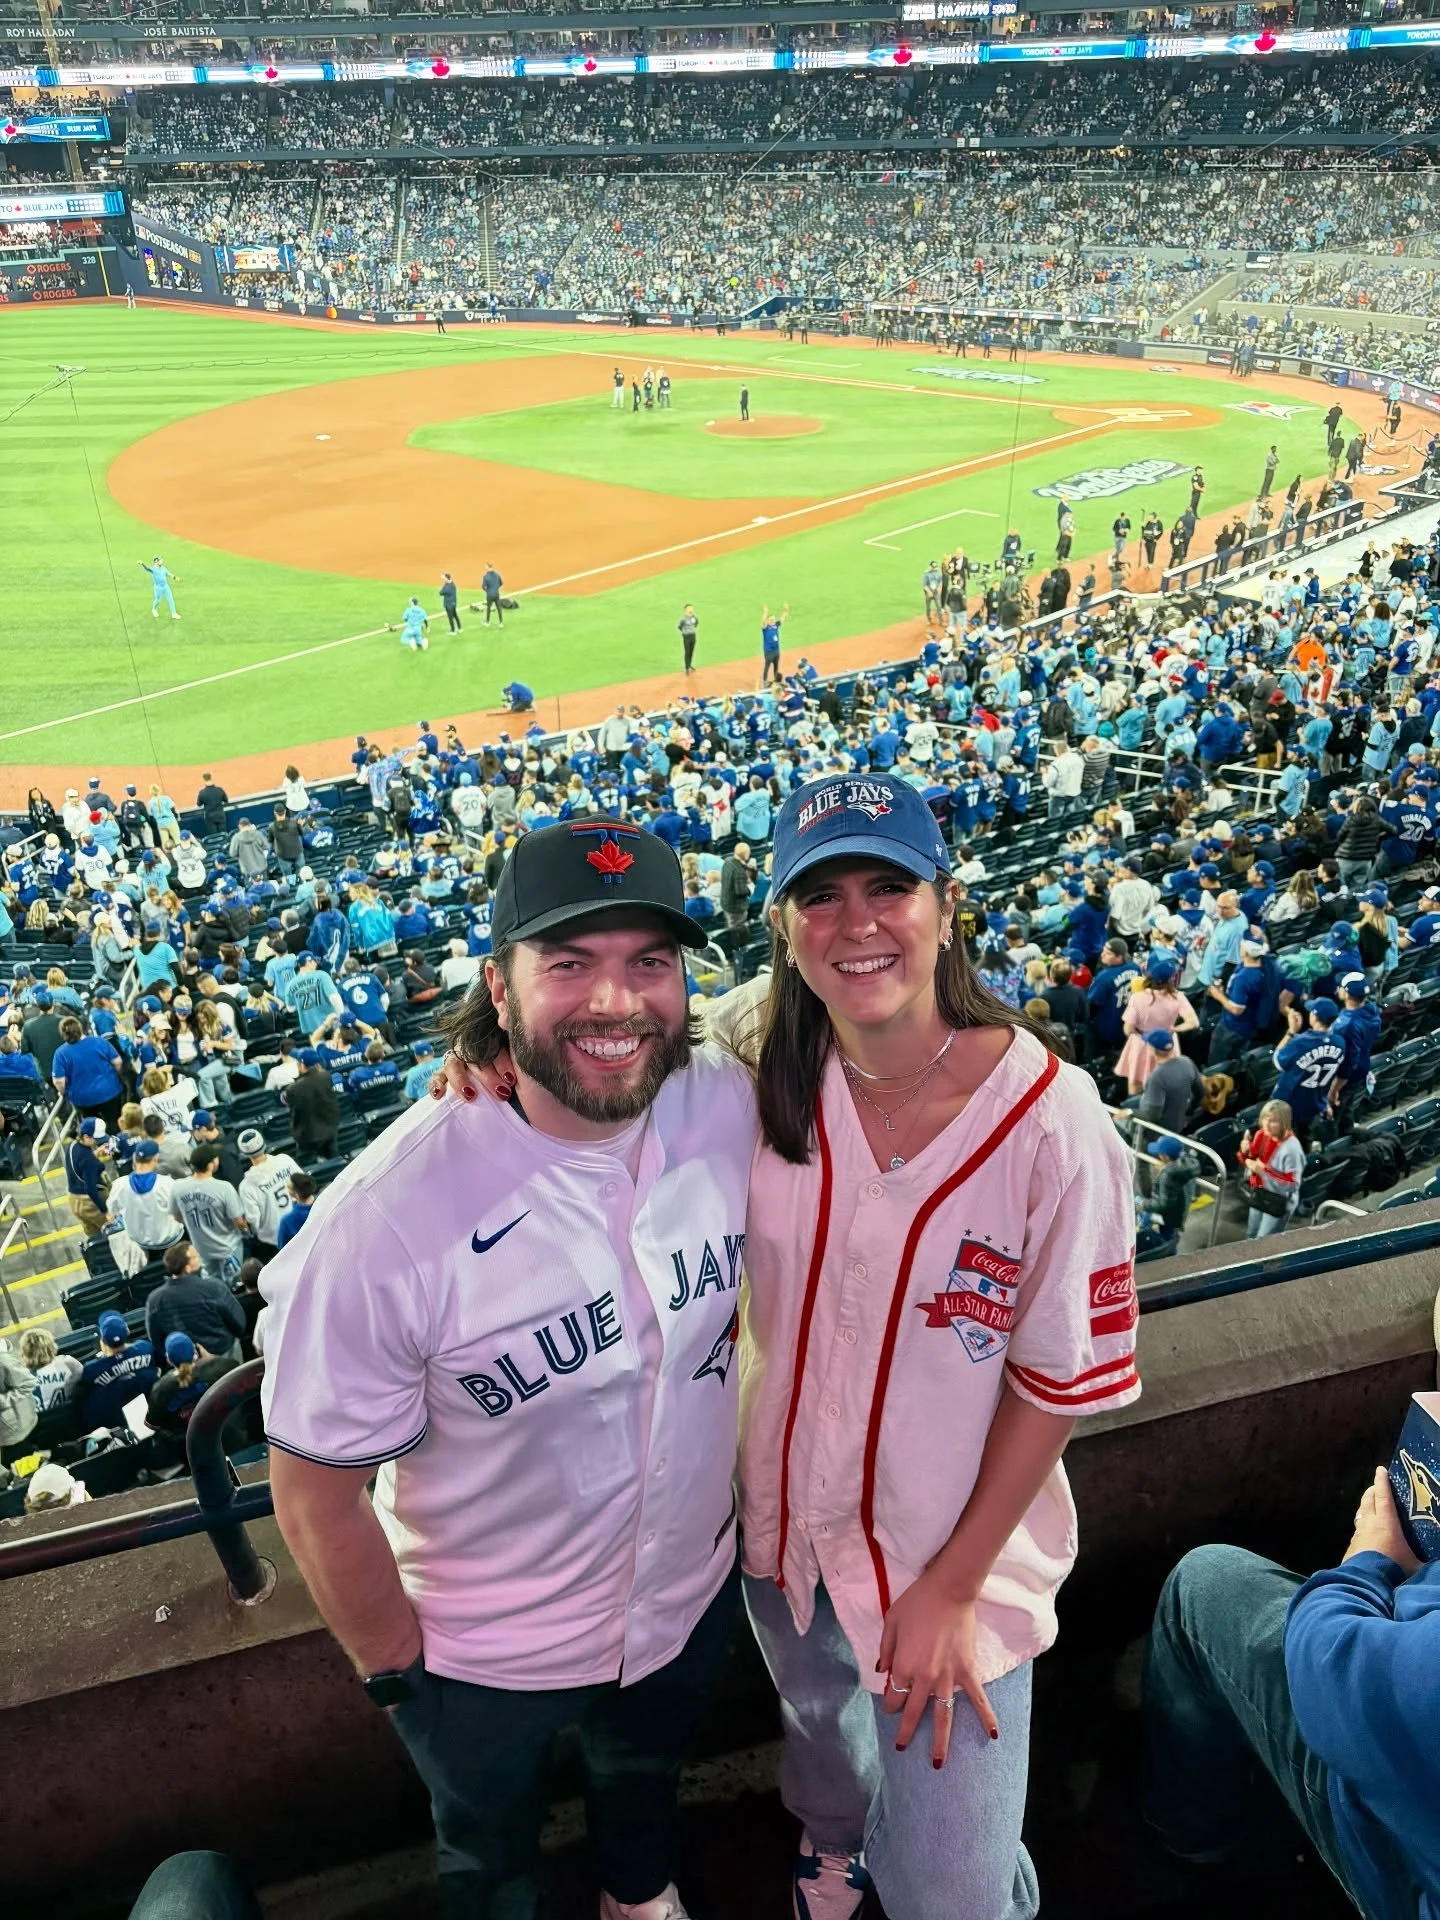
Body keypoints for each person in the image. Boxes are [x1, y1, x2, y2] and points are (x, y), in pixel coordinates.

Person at [260, 819, 753, 1920]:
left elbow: (833, 1008)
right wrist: (397, 1669)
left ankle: (639, 1896)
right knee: (487, 1859)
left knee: (644, 1788)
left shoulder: (724, 1095)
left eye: (649, 962)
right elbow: (311, 1494)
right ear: (499, 984)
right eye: (568, 963)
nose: (616, 1002)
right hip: (477, 1654)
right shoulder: (382, 1223)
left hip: (685, 1593)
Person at [732, 774, 1139, 1920]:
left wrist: (953, 1587)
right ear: (783, 926)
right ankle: (830, 1845)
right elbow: (599, 1062)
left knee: (950, 1893)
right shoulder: (754, 1058)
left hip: (948, 1565)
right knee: (822, 1744)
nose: (856, 922)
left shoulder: (1055, 1121)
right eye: (819, 894)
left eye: (888, 885)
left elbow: (1056, 1383)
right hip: (783, 1532)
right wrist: (486, 1058)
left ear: (947, 908)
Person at [1143, 1467, 1438, 1920]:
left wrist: (1364, 1567)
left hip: (1407, 1869)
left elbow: (1329, 1664)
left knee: (1202, 1583)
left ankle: (1193, 1848)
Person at [146, 1239, 246, 1360]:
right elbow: (239, 1323)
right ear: (187, 1268)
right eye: (195, 1257)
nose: (199, 1257)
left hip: (187, 1364)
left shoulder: (155, 1299)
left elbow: (156, 1340)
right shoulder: (214, 1288)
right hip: (225, 1355)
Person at [168, 1144, 248, 1287]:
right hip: (229, 1248)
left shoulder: (178, 1187)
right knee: (236, 1286)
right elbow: (239, 1222)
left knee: (213, 1288)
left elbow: (177, 1218)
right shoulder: (224, 1188)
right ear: (211, 1164)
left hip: (202, 1250)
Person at [75, 1310, 160, 1432]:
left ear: (102, 1341)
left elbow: (80, 1398)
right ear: (128, 1331)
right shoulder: (145, 1348)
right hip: (152, 1416)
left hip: (113, 1426)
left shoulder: (92, 1369)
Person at [146, 1331, 239, 1438]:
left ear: (169, 1360)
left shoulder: (160, 1388)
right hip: (229, 1434)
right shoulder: (224, 1366)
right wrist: (212, 1358)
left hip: (188, 1447)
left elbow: (152, 1425)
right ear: (196, 1350)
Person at [107, 1138, 185, 1257]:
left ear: (134, 1158)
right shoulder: (167, 1184)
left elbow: (112, 1213)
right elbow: (181, 1212)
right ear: (155, 1159)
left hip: (141, 1244)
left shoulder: (119, 1185)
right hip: (171, 1241)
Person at [1239, 1099, 1304, 1238]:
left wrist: (1263, 1172)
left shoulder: (1292, 1149)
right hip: (1260, 1193)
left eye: (1273, 1121)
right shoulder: (1262, 1134)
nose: (1267, 1125)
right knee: (1251, 1234)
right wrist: (1245, 1152)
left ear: (1284, 1123)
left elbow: (1293, 1185)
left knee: (1265, 1241)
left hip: (1278, 1200)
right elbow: (1250, 1160)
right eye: (1265, 1119)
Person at [236, 1130, 303, 1259]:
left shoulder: (246, 1184)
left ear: (244, 1154)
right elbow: (304, 1185)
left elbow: (253, 1221)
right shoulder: (284, 1160)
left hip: (274, 1241)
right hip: (301, 1225)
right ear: (263, 1144)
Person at [51, 1016, 125, 1127]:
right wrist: (116, 1075)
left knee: (93, 1129)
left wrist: (63, 1092)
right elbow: (117, 1062)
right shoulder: (99, 1041)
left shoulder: (60, 1053)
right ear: (80, 1028)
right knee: (114, 1123)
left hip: (83, 1099)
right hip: (110, 1090)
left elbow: (58, 1081)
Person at [1136, 1031, 1202, 1136]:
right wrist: (1188, 1112)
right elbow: (1200, 1093)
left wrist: (1129, 1113)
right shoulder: (1186, 1062)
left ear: (1152, 1049)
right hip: (1178, 1124)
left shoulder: (1157, 1077)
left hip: (1157, 1133)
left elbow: (1152, 1115)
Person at [282, 1049, 340, 1162]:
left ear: (303, 1065)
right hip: (329, 1130)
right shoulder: (326, 1077)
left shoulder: (293, 1089)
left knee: (307, 1168)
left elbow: (293, 1111)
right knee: (335, 1162)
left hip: (307, 1136)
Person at [64, 1116, 112, 1237]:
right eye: (96, 1139)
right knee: (111, 1232)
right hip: (90, 1204)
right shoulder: (88, 1160)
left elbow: (79, 1165)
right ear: (86, 1137)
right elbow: (90, 1190)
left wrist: (95, 1153)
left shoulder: (72, 1146)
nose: (98, 1142)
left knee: (94, 1236)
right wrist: (105, 1212)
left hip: (74, 1200)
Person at [19, 1327, 82, 1412]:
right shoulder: (67, 1363)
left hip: (43, 1423)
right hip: (74, 1417)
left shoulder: (21, 1378)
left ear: (25, 1351)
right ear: (51, 1346)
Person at [274, 1171, 315, 1250]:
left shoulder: (287, 1221)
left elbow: (282, 1250)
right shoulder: (326, 1204)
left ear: (296, 1194)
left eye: (288, 1187)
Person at [141, 555, 179, 620]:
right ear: (156, 562)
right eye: (160, 561)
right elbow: (147, 569)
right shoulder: (153, 569)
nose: (162, 561)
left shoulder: (163, 568)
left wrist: (175, 578)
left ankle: (174, 614)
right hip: (158, 588)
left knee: (170, 599)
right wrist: (142, 564)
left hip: (165, 587)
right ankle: (154, 609)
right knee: (158, 600)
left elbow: (169, 574)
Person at [677, 604, 699, 676]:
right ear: (685, 610)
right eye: (689, 608)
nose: (691, 610)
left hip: (693, 635)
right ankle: (686, 668)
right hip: (686, 637)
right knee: (687, 651)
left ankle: (690, 665)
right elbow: (680, 627)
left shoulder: (694, 618)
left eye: (692, 608)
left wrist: (692, 630)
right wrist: (685, 632)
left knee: (691, 651)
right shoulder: (683, 619)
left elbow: (696, 623)